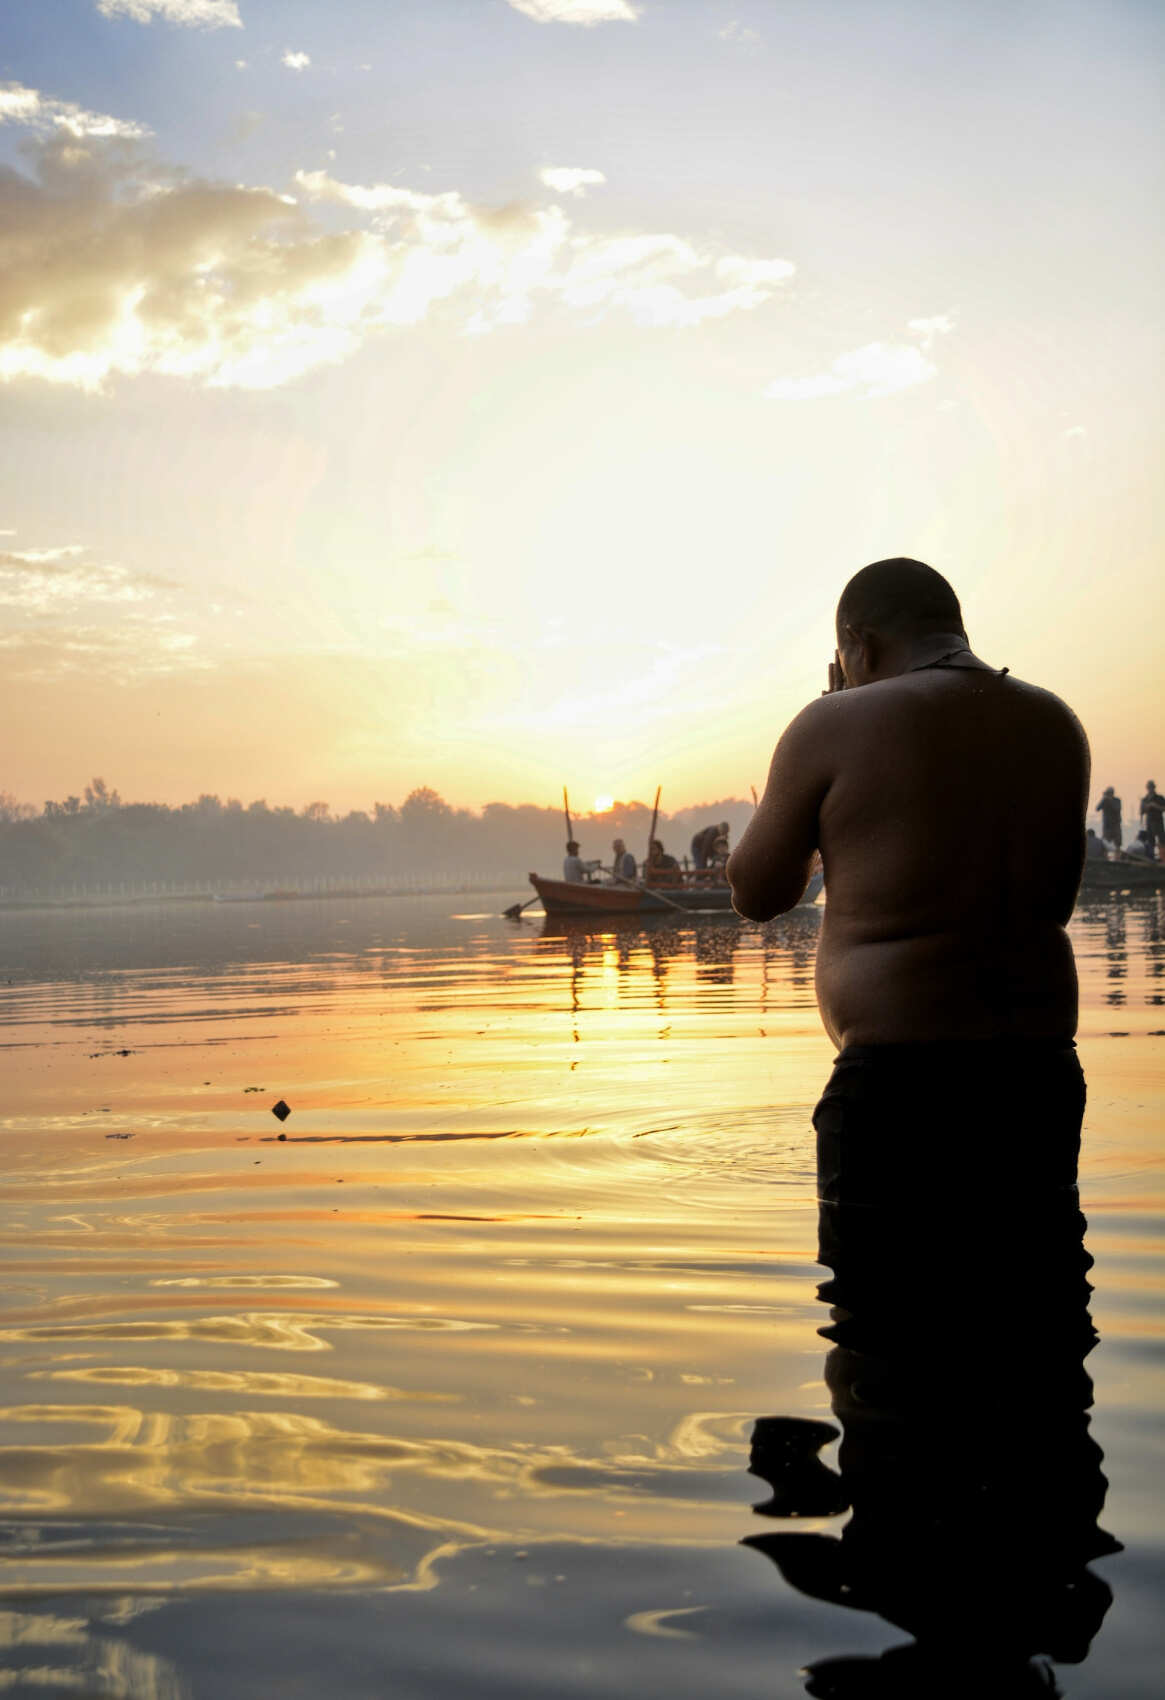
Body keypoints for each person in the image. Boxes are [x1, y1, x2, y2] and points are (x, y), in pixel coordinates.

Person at [727, 556, 1090, 1202]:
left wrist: (829, 723)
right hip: (1039, 1077)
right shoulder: (1055, 722)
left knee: (880, 1300)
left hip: (898, 1086)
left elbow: (755, 892)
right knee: (1038, 1295)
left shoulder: (835, 721)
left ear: (856, 646)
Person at [1140, 781, 1164, 859]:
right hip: (1149, 822)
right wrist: (1147, 806)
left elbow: (1163, 808)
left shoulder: (1159, 798)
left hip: (1158, 822)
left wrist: (1154, 805)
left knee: (1162, 840)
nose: (1150, 789)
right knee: (1150, 841)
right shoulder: (1145, 799)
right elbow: (1142, 811)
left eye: (1151, 787)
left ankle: (1163, 858)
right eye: (1149, 787)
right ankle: (1151, 858)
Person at [1096, 785, 1122, 851]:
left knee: (1117, 843)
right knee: (1105, 843)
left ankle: (1117, 858)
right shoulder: (1104, 800)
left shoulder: (1117, 800)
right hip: (1107, 826)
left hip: (1115, 825)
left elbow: (1117, 809)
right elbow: (1097, 808)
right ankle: (1105, 858)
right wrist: (1103, 799)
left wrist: (1110, 801)